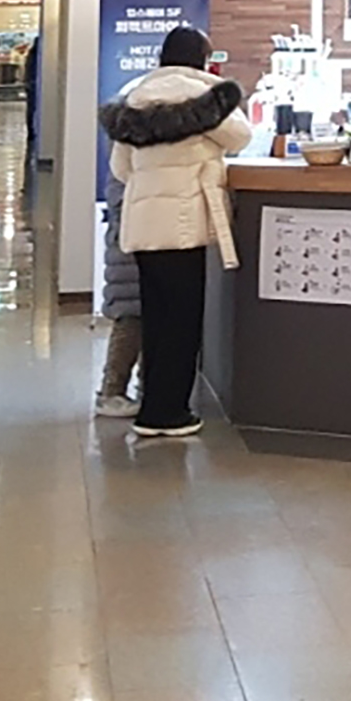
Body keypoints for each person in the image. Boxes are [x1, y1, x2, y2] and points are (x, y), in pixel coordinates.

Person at [98, 26, 249, 439]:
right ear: (203, 59)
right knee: (183, 320)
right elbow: (241, 137)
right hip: (184, 224)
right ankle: (169, 412)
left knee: (156, 314)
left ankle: (151, 407)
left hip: (143, 224)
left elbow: (120, 168)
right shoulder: (207, 97)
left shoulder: (135, 97)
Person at [93, 175, 142, 421]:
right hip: (132, 241)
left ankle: (120, 389)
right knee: (131, 320)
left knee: (138, 317)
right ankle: (112, 390)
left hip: (129, 237)